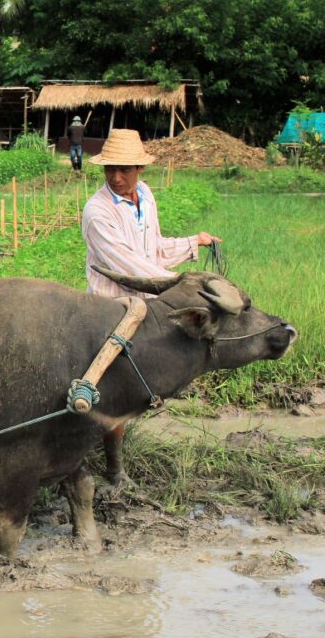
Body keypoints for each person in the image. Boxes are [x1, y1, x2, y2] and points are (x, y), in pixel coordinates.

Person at [80, 129, 220, 484]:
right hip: (112, 305)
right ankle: (114, 469)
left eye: (125, 169)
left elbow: (152, 249)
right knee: (115, 388)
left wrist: (193, 242)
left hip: (145, 300)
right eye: (110, 169)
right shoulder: (98, 212)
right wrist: (180, 285)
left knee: (140, 382)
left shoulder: (144, 195)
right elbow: (128, 268)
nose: (116, 177)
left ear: (140, 168)